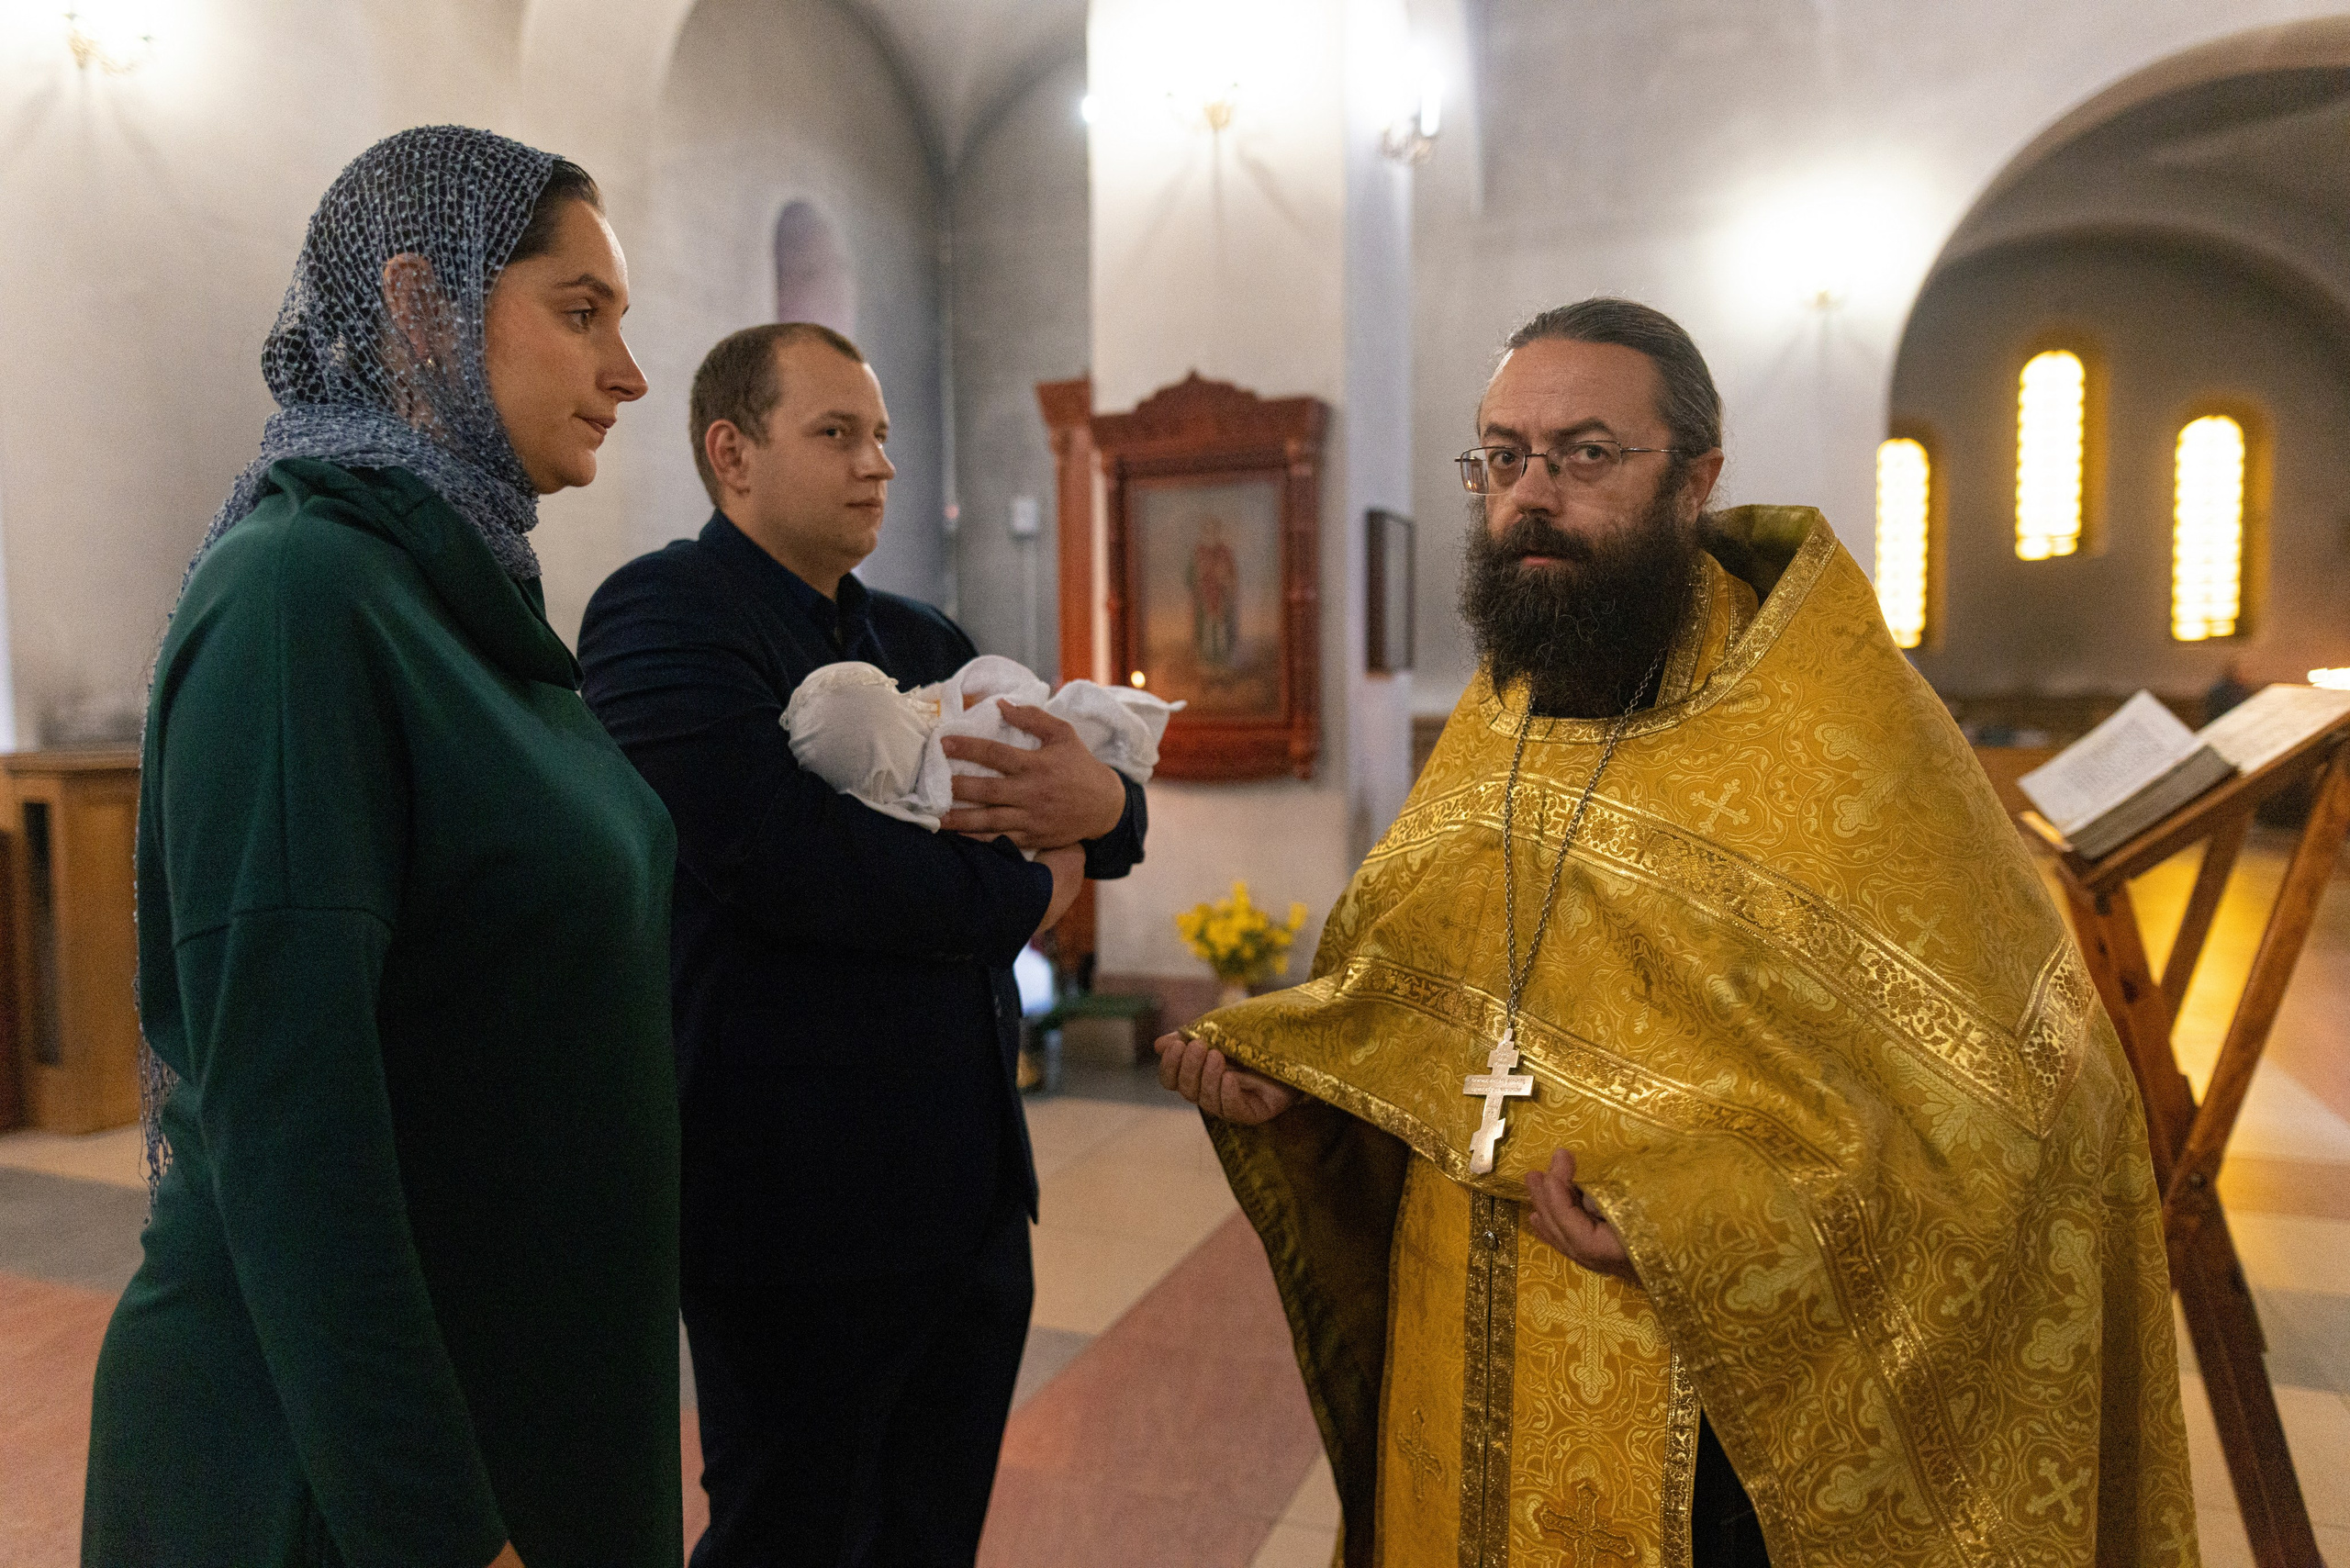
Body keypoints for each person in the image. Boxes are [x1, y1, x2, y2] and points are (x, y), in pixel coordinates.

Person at [1155, 299, 2199, 1567]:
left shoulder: (1840, 733)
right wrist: (1316, 1091)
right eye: (1503, 456)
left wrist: (1710, 1222)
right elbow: (1420, 990)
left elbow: (2024, 1113)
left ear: (1696, 479)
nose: (1532, 496)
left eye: (1586, 454)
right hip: (1456, 1326)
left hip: (1708, 1396)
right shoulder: (1510, 703)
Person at [85, 127, 677, 1567]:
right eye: (581, 312)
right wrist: (438, 1536)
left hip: (517, 1388)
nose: (628, 373)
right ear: (419, 305)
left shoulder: (459, 598)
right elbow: (298, 1140)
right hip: (334, 1468)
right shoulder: (301, 594)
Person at [577, 321, 1149, 1567]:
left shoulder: (925, 639)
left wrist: (1102, 809)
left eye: (881, 435)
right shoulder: (661, 616)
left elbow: (1091, 803)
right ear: (732, 453)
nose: (877, 463)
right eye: (836, 433)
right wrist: (1031, 890)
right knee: (789, 1534)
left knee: (929, 1535)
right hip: (790, 1203)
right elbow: (792, 866)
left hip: (970, 1191)